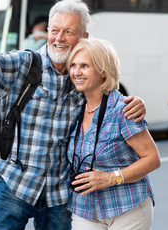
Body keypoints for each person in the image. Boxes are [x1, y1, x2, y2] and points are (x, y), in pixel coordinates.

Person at [0, 0, 146, 230]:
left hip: (59, 194)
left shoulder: (82, 75)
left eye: (69, 32)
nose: (59, 38)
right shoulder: (24, 64)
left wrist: (137, 102)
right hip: (14, 185)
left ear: (84, 38)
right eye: (55, 30)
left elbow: (110, 97)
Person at [67, 38, 161, 229]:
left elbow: (153, 158)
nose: (76, 72)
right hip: (85, 208)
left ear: (103, 71)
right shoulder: (73, 107)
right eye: (74, 65)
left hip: (127, 206)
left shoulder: (123, 110)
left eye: (84, 66)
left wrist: (111, 178)